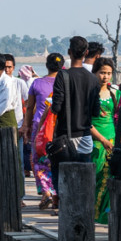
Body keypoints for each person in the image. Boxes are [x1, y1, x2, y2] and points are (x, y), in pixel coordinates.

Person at [49, 37, 101, 193]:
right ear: (86, 53)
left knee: (64, 184)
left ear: (69, 52)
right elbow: (96, 111)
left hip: (64, 138)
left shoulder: (62, 76)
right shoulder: (93, 78)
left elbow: (56, 107)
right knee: (83, 184)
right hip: (85, 138)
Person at [20, 53, 62, 209]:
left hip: (41, 127)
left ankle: (46, 192)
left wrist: (26, 126)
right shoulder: (66, 83)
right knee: (58, 159)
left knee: (40, 160)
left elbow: (30, 107)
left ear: (47, 65)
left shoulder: (37, 83)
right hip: (60, 126)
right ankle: (57, 194)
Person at [90, 58, 117, 223]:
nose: (105, 77)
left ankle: (104, 217)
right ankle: (93, 215)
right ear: (95, 73)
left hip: (112, 140)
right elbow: (86, 123)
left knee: (109, 179)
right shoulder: (89, 93)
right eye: (102, 73)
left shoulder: (115, 93)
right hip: (96, 141)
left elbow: (118, 119)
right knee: (96, 178)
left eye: (108, 73)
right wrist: (102, 140)